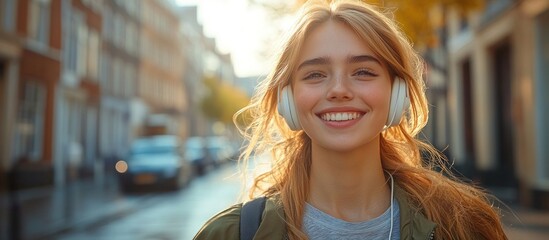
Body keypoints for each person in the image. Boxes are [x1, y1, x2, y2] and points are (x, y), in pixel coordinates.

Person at [194, 0, 508, 239]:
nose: (339, 90)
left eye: (363, 72)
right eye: (315, 74)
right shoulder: (231, 233)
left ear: (396, 93)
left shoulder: (465, 224)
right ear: (288, 100)